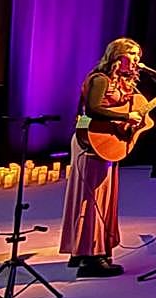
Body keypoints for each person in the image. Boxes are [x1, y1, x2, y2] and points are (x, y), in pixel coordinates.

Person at [59, 38, 145, 277]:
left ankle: (84, 251)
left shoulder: (124, 83)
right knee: (91, 197)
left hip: (106, 143)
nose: (137, 59)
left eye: (138, 54)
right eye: (132, 54)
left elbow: (132, 108)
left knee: (101, 197)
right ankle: (91, 257)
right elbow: (93, 109)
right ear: (117, 55)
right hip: (91, 141)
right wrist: (127, 117)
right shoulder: (100, 79)